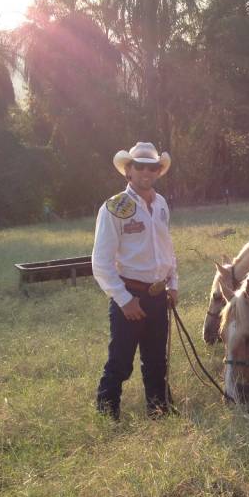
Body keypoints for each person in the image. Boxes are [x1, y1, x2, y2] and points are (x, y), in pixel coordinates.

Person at [91, 141, 179, 420]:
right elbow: (101, 263)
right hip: (130, 295)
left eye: (151, 167)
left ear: (158, 171)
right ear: (128, 171)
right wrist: (125, 300)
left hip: (158, 295)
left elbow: (167, 248)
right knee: (120, 361)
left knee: (156, 360)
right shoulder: (114, 208)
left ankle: (159, 410)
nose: (146, 172)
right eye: (139, 166)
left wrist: (172, 283)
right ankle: (107, 415)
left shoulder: (161, 204)